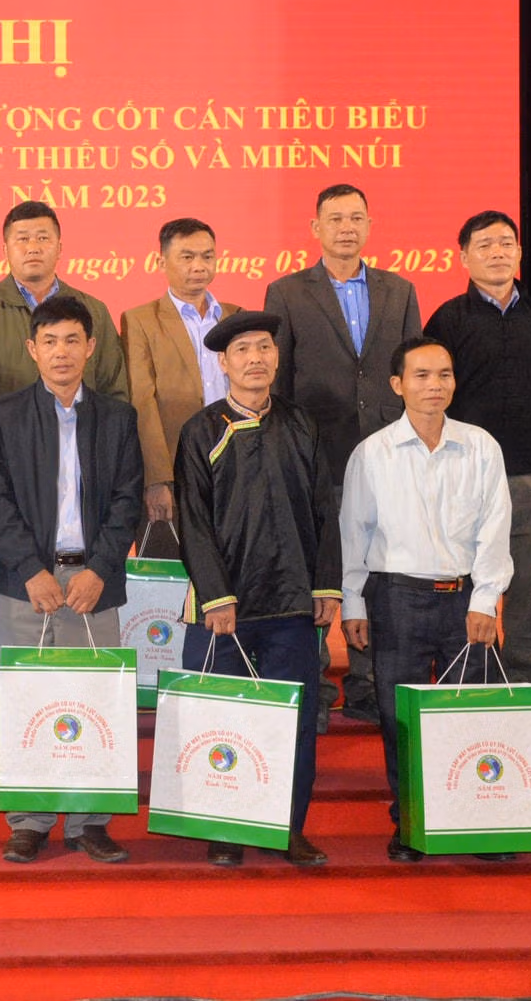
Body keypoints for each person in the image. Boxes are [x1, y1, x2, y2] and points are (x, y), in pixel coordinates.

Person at [339, 337, 513, 862]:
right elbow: (354, 531)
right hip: (397, 598)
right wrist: (353, 603)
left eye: (444, 374)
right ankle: (411, 822)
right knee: (402, 719)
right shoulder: (372, 453)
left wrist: (486, 598)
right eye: (421, 375)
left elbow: (495, 526)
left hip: (465, 600)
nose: (434, 385)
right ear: (397, 385)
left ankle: (475, 822)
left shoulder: (481, 446)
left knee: (471, 715)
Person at [0, 296, 144, 865]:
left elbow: (127, 500)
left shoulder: (118, 418)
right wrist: (30, 570)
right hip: (26, 584)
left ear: (90, 347)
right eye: (49, 341)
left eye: (72, 340)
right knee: (21, 702)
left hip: (92, 585)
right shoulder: (4, 416)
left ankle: (88, 821)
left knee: (94, 700)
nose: (61, 352)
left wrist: (100, 568)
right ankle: (28, 821)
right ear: (32, 349)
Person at [175, 310, 338, 868]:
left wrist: (326, 584)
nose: (255, 359)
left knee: (294, 720)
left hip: (291, 604)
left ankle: (289, 828)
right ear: (223, 363)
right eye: (243, 350)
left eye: (264, 347)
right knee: (223, 719)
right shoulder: (202, 430)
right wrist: (216, 596)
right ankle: (224, 828)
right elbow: (194, 521)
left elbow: (323, 508)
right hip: (226, 609)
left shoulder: (302, 424)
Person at [264, 183, 421, 726]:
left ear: (370, 225)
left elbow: (413, 371)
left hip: (387, 457)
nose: (346, 228)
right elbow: (280, 381)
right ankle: (311, 684)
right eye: (335, 218)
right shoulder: (286, 292)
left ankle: (368, 682)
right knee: (318, 570)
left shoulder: (399, 290)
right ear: (316, 228)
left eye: (356, 217)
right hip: (317, 455)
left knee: (379, 569)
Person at [424, 211, 531, 685]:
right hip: (465, 476)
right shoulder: (447, 319)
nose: (497, 252)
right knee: (465, 581)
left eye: (506, 243)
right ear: (463, 257)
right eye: (485, 244)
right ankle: (468, 677)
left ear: (519, 253)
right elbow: (430, 399)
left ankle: (523, 680)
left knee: (528, 585)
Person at [120, 218, 239, 556]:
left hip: (234, 466)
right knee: (169, 572)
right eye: (187, 257)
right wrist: (157, 479)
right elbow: (142, 402)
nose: (199, 266)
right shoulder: (140, 320)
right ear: (162, 262)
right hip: (175, 471)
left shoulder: (234, 317)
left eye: (207, 256)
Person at [0, 200, 128, 416]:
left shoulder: (93, 310)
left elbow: (114, 390)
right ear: (5, 250)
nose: (33, 248)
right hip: (5, 436)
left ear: (59, 248)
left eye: (43, 238)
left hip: (82, 435)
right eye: (22, 239)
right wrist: (4, 434)